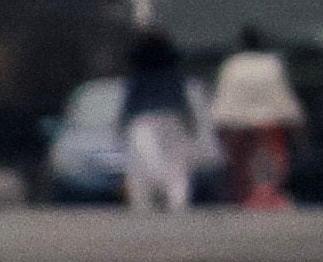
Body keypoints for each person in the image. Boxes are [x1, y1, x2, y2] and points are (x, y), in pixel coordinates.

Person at [205, 25, 300, 210]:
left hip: (236, 124)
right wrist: (296, 124)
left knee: (241, 164)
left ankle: (247, 197)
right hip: (267, 123)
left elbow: (223, 101)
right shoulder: (272, 64)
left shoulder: (231, 65)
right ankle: (266, 194)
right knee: (268, 161)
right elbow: (282, 98)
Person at [116, 30, 205, 214]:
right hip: (172, 119)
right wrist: (191, 123)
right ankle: (177, 202)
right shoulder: (173, 73)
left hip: (143, 121)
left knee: (142, 164)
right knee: (176, 165)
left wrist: (121, 125)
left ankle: (145, 202)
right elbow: (182, 100)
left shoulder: (137, 75)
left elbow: (130, 102)